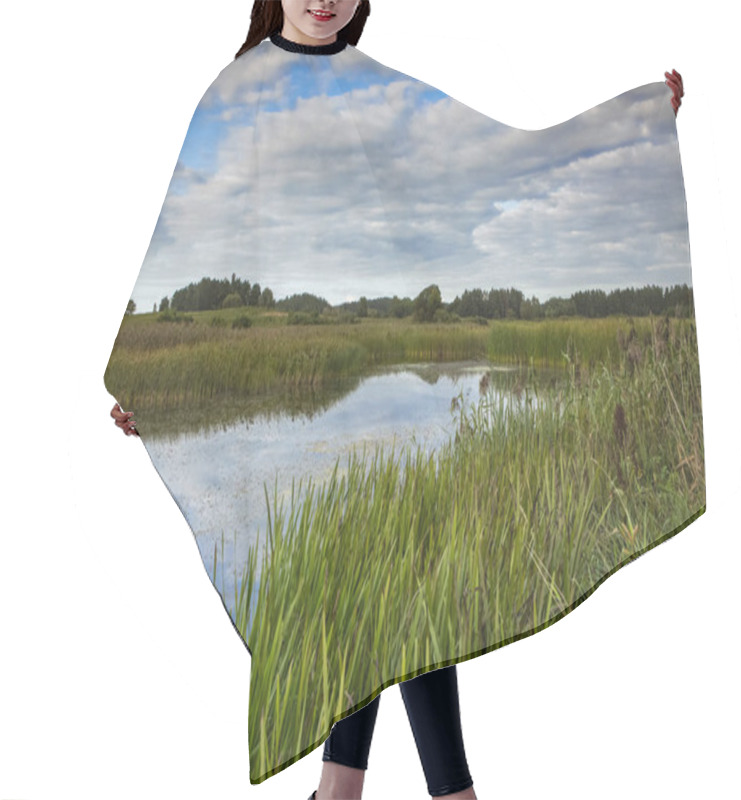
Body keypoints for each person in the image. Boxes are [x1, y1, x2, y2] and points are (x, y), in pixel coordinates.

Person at [110, 2, 685, 798]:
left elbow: (489, 170)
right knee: (352, 588)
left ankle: (356, 791)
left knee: (398, 585)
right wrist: (150, 384)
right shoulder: (234, 91)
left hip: (390, 448)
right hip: (296, 462)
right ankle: (419, 792)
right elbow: (195, 234)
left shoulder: (376, 85)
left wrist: (641, 129)